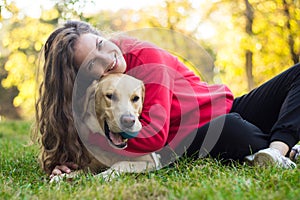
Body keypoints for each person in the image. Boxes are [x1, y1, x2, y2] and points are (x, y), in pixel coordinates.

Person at [34, 20, 300, 179]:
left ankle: (277, 151)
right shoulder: (102, 94)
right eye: (94, 63)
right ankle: (283, 151)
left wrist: (92, 157)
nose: (109, 57)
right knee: (233, 129)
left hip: (227, 107)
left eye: (100, 44)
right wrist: (71, 163)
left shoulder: (145, 56)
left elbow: (153, 136)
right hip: (207, 132)